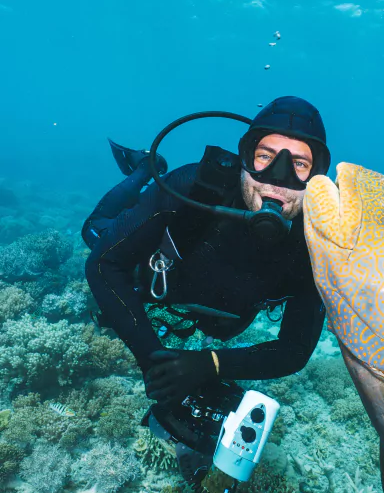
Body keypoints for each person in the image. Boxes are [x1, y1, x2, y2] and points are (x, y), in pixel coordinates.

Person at [83, 97, 329, 459]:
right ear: (244, 160)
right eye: (265, 156)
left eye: (299, 164)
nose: (278, 178)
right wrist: (156, 364)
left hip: (222, 317)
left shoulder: (316, 246)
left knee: (219, 330)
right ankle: (143, 169)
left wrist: (209, 365)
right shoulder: (192, 189)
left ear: (318, 180)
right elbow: (103, 266)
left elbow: (294, 351)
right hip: (156, 280)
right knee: (93, 232)